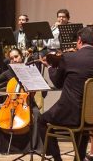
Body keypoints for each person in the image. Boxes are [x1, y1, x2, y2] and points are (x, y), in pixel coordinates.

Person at [38, 27, 93, 161]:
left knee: (41, 120)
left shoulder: (69, 57)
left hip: (71, 113)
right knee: (83, 125)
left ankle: (57, 158)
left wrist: (50, 67)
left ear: (79, 40)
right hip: (90, 115)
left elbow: (57, 83)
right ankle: (79, 158)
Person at [0, 48, 42, 154]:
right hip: (10, 103)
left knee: (36, 114)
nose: (14, 60)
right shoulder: (8, 73)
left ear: (21, 56)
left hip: (27, 103)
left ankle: (35, 147)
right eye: (11, 58)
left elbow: (40, 88)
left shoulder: (30, 70)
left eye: (16, 57)